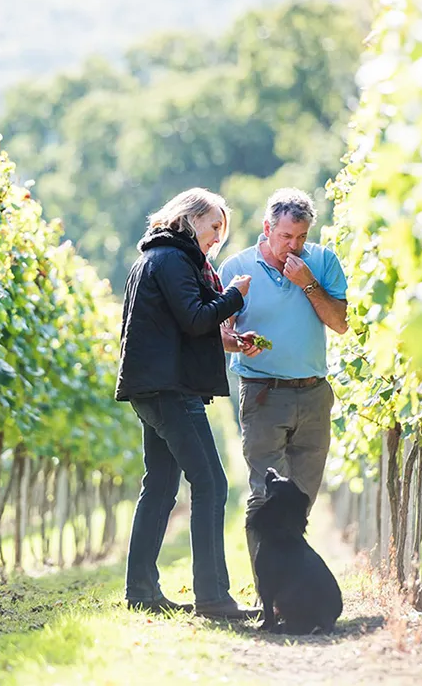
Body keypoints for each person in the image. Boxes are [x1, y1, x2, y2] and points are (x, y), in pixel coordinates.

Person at [115, 187, 259, 619]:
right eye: (214, 226)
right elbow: (196, 316)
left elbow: (181, 325)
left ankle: (141, 590)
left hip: (152, 388)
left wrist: (228, 341)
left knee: (159, 486)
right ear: (190, 219)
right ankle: (213, 597)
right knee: (212, 483)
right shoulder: (175, 259)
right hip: (169, 391)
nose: (217, 237)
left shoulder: (154, 258)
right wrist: (234, 295)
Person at [217, 188, 349, 571]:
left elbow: (340, 323)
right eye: (286, 236)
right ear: (266, 228)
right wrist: (238, 344)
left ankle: (293, 584)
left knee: (301, 499)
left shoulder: (322, 261)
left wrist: (308, 283)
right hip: (262, 394)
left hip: (313, 394)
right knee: (264, 496)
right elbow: (220, 335)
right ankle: (267, 593)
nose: (293, 245)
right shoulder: (236, 268)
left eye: (301, 237)